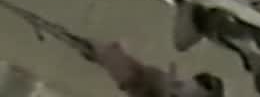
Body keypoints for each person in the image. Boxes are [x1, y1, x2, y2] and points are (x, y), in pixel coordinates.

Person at [89, 40, 224, 97]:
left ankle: (98, 52)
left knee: (107, 54)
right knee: (108, 54)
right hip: (140, 77)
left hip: (136, 80)